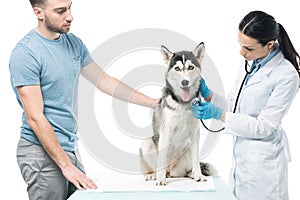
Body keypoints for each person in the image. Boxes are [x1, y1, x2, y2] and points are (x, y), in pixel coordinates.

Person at [9, 0, 158, 199]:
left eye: (70, 7)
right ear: (38, 13)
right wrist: (66, 166)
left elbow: (104, 81)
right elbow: (35, 117)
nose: (70, 16)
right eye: (60, 11)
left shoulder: (73, 43)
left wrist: (153, 103)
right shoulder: (26, 53)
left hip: (68, 148)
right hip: (41, 152)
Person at [192, 10, 300, 200]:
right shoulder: (250, 63)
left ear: (269, 45)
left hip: (264, 168)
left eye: (248, 48)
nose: (241, 52)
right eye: (241, 45)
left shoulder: (286, 75)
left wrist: (217, 113)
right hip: (242, 161)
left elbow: (264, 126)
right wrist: (209, 97)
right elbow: (236, 107)